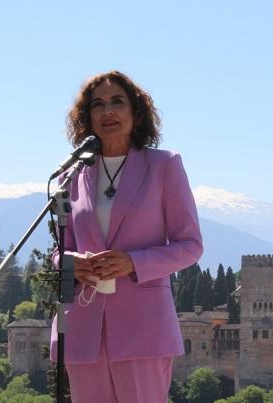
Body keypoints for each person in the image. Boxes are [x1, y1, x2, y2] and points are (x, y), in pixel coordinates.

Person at [50, 71, 203, 403]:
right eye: (98, 105)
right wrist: (72, 263)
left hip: (144, 330)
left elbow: (191, 246)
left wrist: (133, 262)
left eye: (117, 102)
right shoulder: (70, 174)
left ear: (135, 113)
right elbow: (59, 251)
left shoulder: (164, 166)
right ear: (87, 117)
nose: (108, 112)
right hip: (83, 328)